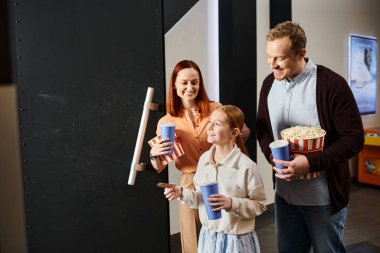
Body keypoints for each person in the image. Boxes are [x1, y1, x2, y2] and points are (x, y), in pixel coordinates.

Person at [256, 21, 364, 253]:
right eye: (269, 57)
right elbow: (263, 128)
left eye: (279, 58)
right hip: (284, 197)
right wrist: (270, 155)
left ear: (301, 54)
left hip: (323, 199)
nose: (272, 64)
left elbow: (353, 139)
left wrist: (310, 163)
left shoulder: (332, 85)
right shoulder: (268, 84)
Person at [150, 60, 250, 253]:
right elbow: (159, 166)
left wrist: (229, 143)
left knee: (225, 234)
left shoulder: (216, 109)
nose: (190, 87)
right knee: (193, 240)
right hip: (189, 181)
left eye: (194, 82)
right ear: (175, 85)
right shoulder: (166, 121)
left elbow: (242, 132)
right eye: (185, 82)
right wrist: (155, 153)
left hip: (221, 176)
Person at [163, 105, 266, 253]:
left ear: (234, 133)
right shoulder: (204, 160)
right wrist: (181, 193)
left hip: (236, 241)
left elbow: (259, 205)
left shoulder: (247, 166)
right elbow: (201, 198)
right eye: (210, 122)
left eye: (216, 124)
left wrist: (232, 203)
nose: (209, 127)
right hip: (208, 237)